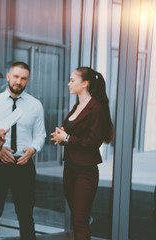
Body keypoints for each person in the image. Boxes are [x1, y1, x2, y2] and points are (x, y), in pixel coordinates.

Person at [0, 62, 46, 240]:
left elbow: (40, 134)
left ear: (28, 80)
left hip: (23, 164)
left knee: (26, 215)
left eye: (24, 78)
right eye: (16, 77)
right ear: (9, 76)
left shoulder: (35, 105)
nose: (19, 81)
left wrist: (33, 149)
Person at [51, 67, 114, 240]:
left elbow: (93, 142)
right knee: (76, 218)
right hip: (70, 168)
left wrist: (68, 138)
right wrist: (61, 137)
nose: (69, 83)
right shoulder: (77, 106)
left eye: (72, 80)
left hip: (85, 172)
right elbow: (75, 134)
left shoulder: (97, 108)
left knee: (80, 220)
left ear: (85, 83)